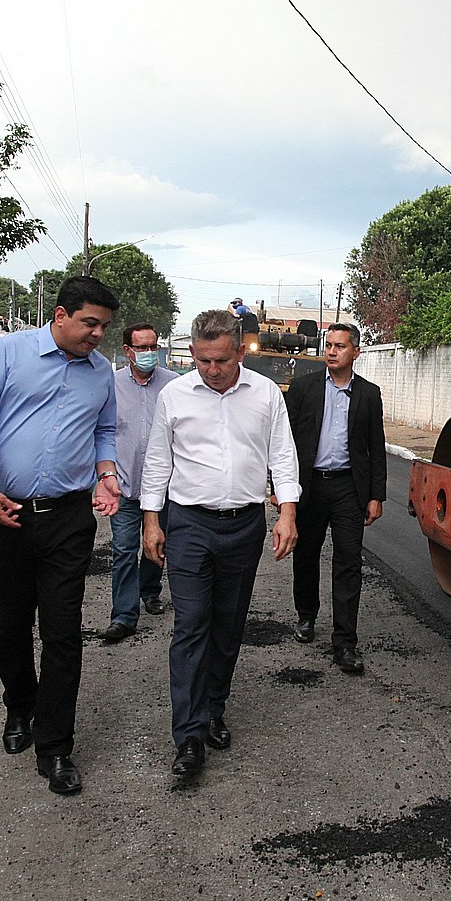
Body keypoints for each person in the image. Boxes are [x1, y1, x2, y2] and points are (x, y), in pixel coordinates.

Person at [0, 277, 120, 797]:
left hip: (69, 518)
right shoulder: (8, 353)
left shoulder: (101, 374)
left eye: (103, 327)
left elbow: (105, 432)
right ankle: (19, 707)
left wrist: (107, 470)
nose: (97, 335)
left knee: (63, 631)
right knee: (7, 621)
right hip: (6, 513)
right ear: (60, 315)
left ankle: (55, 748)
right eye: (89, 323)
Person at [141, 308, 300, 781]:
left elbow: (283, 455)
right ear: (192, 353)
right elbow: (156, 462)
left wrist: (287, 512)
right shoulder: (174, 395)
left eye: (222, 361)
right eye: (204, 360)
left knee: (228, 624)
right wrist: (152, 521)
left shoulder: (266, 394)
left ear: (239, 354)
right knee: (191, 623)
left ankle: (214, 708)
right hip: (188, 524)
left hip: (244, 525)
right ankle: (188, 735)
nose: (212, 370)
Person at [284, 322, 385, 674]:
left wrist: (376, 495)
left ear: (355, 352)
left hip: (348, 489)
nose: (331, 351)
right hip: (309, 485)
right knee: (307, 554)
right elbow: (283, 442)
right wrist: (280, 488)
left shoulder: (369, 394)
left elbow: (376, 448)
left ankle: (345, 642)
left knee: (348, 563)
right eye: (328, 345)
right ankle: (306, 616)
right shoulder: (303, 388)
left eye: (340, 346)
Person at [103, 323, 177, 643]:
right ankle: (123, 615)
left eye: (153, 347)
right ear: (127, 351)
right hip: (125, 483)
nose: (149, 353)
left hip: (161, 487)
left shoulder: (173, 385)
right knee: (123, 549)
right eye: (142, 348)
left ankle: (150, 590)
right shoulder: (111, 385)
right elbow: (102, 432)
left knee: (155, 543)